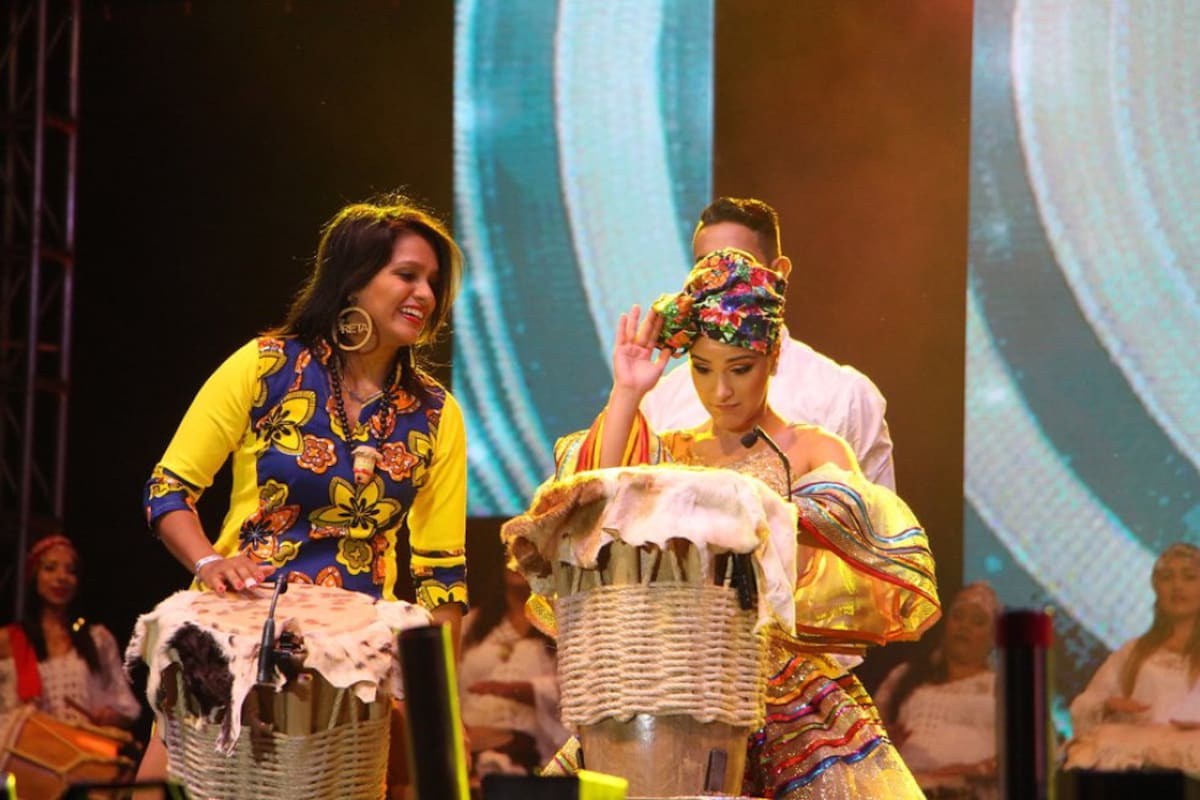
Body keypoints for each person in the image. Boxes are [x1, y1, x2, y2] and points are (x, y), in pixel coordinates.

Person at [551, 247, 940, 798]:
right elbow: (590, 503)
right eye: (703, 370)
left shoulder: (810, 450)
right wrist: (628, 391)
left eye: (740, 369)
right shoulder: (678, 450)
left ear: (774, 355)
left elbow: (847, 530)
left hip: (782, 685)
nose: (721, 391)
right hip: (677, 676)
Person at [137, 193, 469, 784]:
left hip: (355, 663)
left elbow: (443, 572)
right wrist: (211, 561)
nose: (425, 294)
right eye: (406, 275)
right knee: (155, 788)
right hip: (234, 638)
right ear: (353, 281)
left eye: (433, 282)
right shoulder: (265, 366)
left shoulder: (437, 413)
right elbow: (167, 491)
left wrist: (440, 701)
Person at [640, 197, 896, 489]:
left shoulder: (844, 395)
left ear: (779, 273)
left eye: (740, 268)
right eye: (706, 269)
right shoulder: (662, 399)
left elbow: (876, 525)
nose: (721, 285)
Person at [0, 535, 141, 729]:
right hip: (26, 752)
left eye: (71, 571)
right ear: (33, 577)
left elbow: (127, 706)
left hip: (83, 751)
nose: (61, 577)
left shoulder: (97, 639)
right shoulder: (10, 639)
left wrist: (110, 716)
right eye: (50, 568)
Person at [875, 581, 1000, 799]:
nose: (965, 626)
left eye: (978, 621)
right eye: (958, 616)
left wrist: (970, 771)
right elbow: (870, 732)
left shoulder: (1001, 687)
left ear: (993, 637)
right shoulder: (906, 676)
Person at [1069, 542, 1200, 737]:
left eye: (1189, 577)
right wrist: (1108, 706)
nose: (1177, 586)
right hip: (1140, 758)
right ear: (1156, 587)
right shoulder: (1134, 652)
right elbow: (1083, 707)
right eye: (1167, 578)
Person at [458, 569, 569, 778]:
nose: (516, 565)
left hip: (530, 750)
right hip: (472, 743)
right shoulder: (472, 624)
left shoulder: (560, 625)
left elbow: (575, 688)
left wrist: (515, 690)